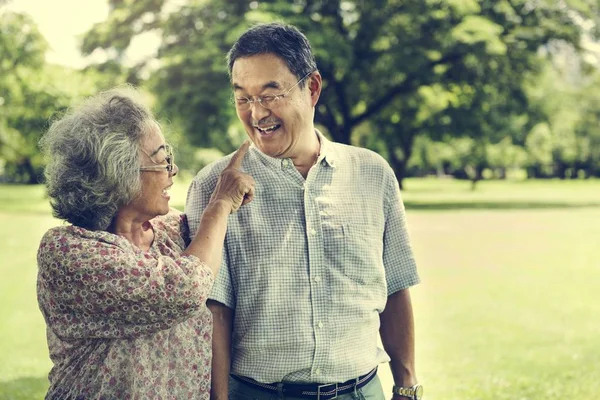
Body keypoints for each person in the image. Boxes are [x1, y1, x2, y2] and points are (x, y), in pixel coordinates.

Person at [185, 23, 422, 400]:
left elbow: (395, 287)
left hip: (363, 391)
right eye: (242, 98)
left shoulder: (373, 173)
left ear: (312, 88)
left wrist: (407, 387)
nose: (256, 113)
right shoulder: (213, 186)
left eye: (270, 94)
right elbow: (215, 310)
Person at [36, 86, 255, 399]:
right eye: (163, 160)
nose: (173, 171)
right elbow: (184, 289)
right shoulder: (68, 252)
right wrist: (219, 206)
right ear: (119, 173)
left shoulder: (173, 231)